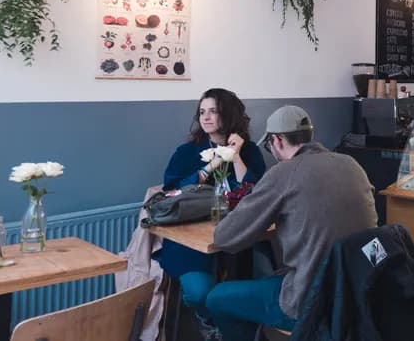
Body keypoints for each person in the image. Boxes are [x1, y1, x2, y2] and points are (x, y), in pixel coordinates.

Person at [204, 105, 378, 340]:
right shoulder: (351, 164)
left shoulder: (283, 173)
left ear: (276, 140)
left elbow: (225, 237)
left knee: (217, 298)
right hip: (359, 291)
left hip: (309, 298)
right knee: (270, 274)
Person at [156, 88, 266, 341]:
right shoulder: (187, 152)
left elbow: (255, 193)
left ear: (228, 114)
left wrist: (235, 156)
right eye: (202, 112)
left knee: (263, 278)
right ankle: (210, 323)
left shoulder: (249, 152)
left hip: (240, 233)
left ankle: (242, 329)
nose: (205, 117)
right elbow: (172, 192)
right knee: (199, 292)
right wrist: (213, 164)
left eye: (213, 111)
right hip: (189, 236)